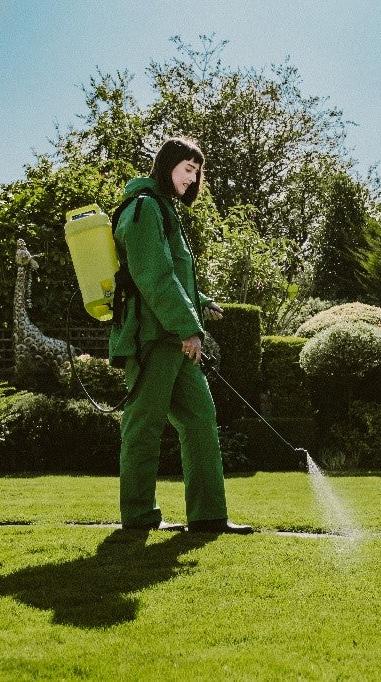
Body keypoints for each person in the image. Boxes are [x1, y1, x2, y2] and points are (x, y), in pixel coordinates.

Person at [108, 136, 252, 534]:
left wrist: (200, 300)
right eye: (188, 169)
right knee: (144, 427)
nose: (193, 178)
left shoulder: (162, 209)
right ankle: (138, 518)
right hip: (154, 339)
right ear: (167, 164)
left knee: (200, 419)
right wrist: (189, 327)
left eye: (197, 171)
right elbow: (153, 276)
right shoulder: (142, 209)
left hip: (173, 336)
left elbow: (171, 273)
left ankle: (208, 517)